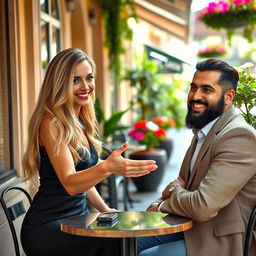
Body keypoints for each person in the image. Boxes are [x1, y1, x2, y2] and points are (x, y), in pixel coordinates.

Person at [21, 48, 157, 256]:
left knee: (128, 238)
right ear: (60, 84)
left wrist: (106, 209)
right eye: (75, 80)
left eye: (89, 78)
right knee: (119, 244)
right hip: (48, 227)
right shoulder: (52, 123)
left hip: (77, 220)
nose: (85, 87)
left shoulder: (79, 122)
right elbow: (70, 183)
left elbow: (84, 181)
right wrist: (106, 167)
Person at [137, 59, 256, 256]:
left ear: (228, 97)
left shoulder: (238, 136)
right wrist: (166, 197)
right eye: (193, 87)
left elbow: (202, 205)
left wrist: (164, 202)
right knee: (126, 242)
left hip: (221, 239)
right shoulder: (206, 129)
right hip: (190, 225)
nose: (195, 96)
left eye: (207, 90)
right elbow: (186, 189)